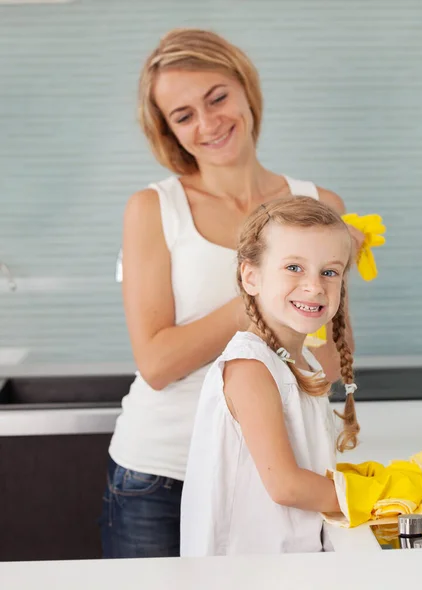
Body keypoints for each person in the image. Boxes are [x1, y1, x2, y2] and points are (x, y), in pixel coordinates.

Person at [100, 28, 361, 558]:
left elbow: (329, 363)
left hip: (285, 472)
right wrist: (264, 296)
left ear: (246, 89)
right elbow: (156, 362)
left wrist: (309, 283)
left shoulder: (318, 203)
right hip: (161, 476)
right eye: (184, 115)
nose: (209, 122)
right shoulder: (154, 209)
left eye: (217, 97)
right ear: (169, 131)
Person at [180, 197, 360, 556]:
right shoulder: (250, 368)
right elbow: (285, 485)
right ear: (252, 277)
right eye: (294, 267)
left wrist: (354, 482)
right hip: (243, 573)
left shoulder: (299, 359)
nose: (314, 286)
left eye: (330, 272)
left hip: (290, 564)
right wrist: (380, 497)